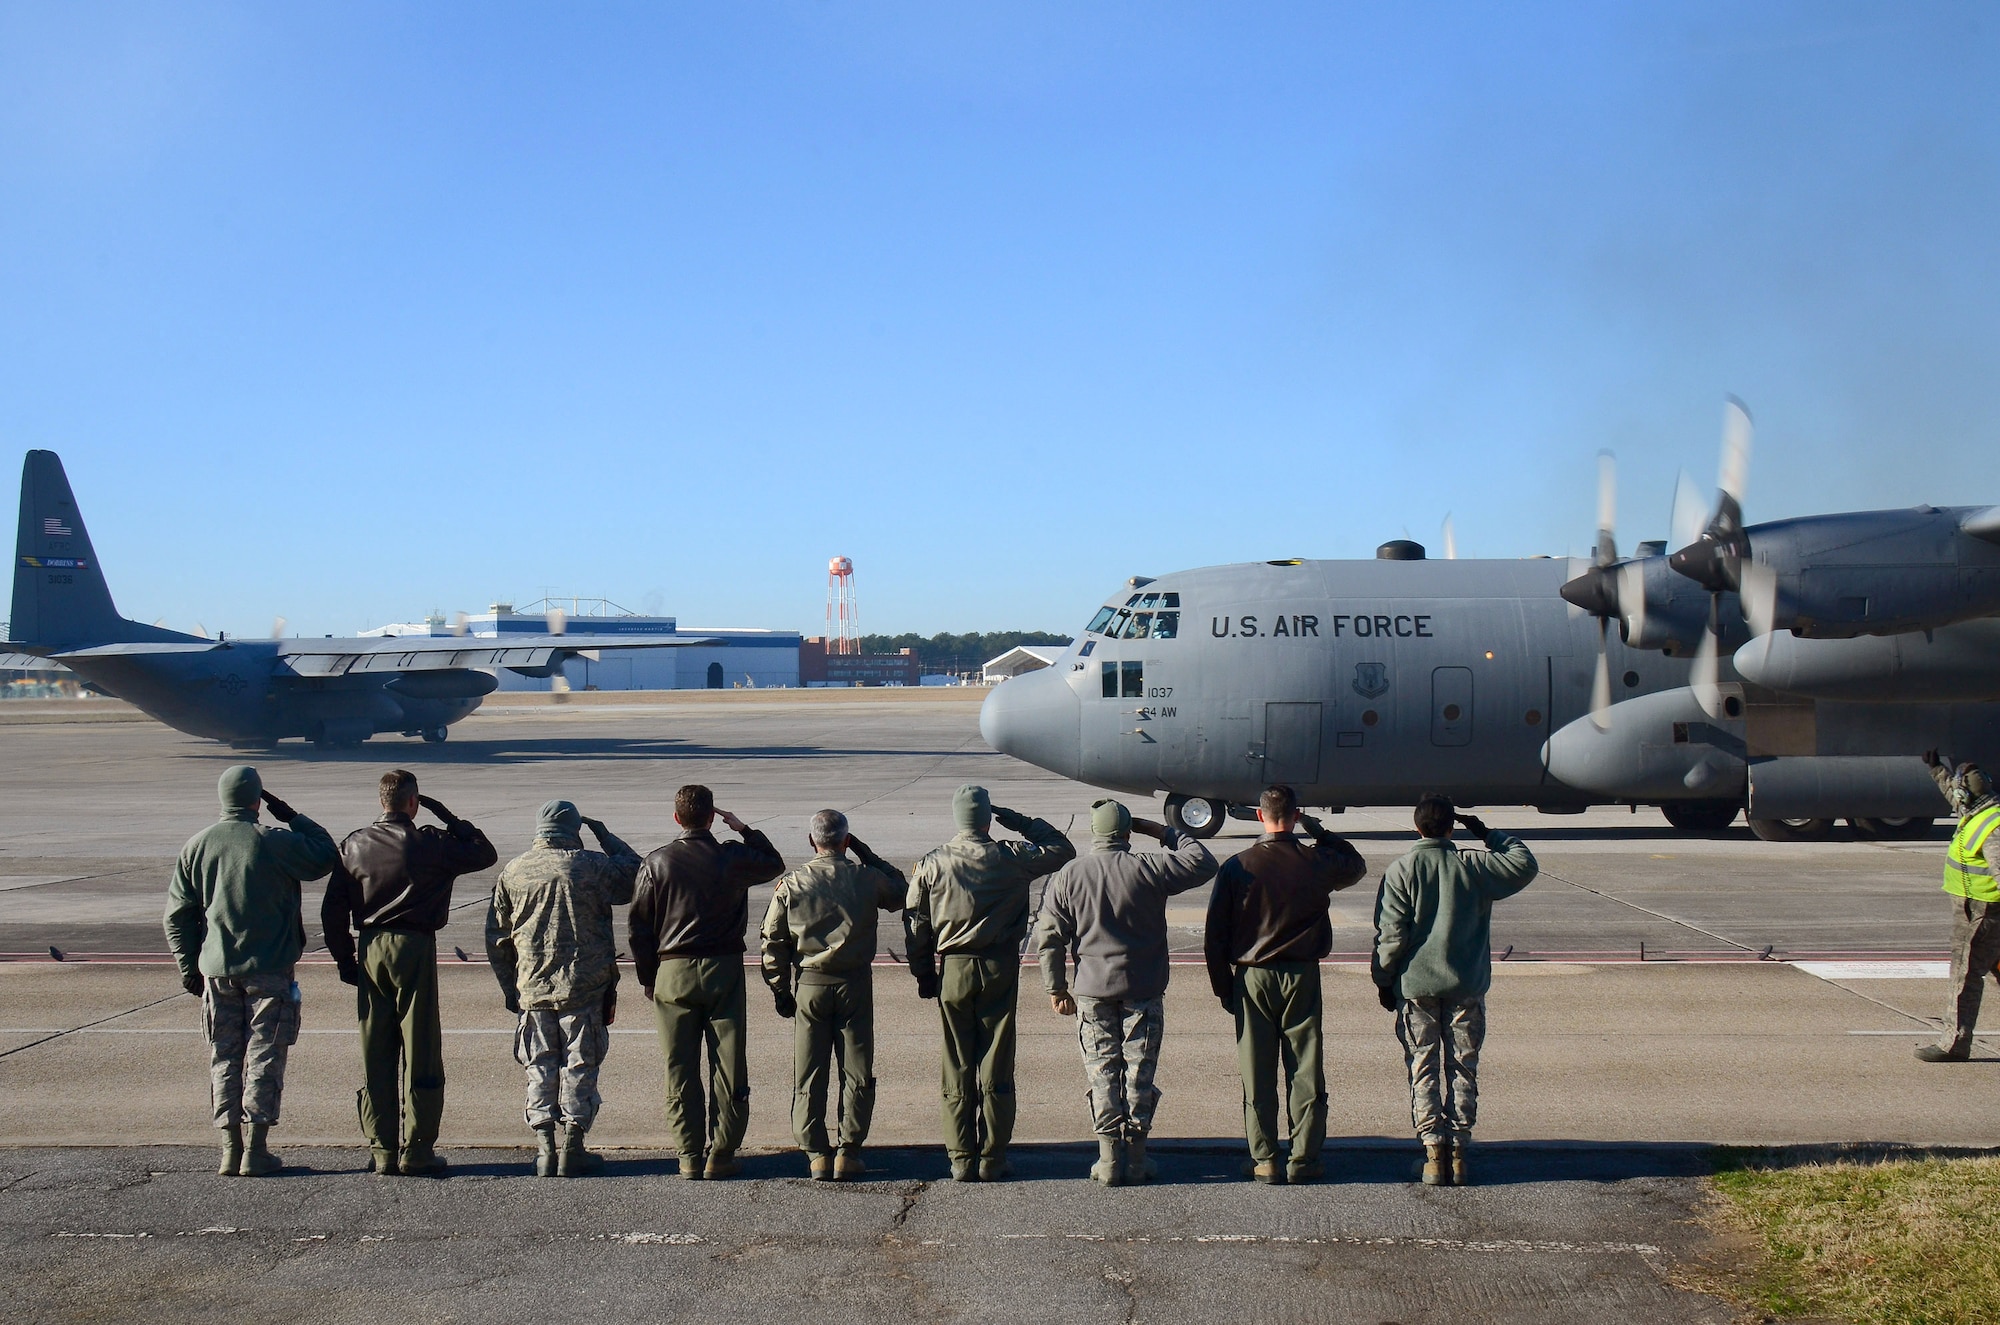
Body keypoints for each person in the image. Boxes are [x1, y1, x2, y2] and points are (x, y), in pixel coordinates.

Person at [322, 770, 497, 1177]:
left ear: (381, 802)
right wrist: (450, 817)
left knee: (375, 1049)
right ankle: (418, 1148)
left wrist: (346, 961)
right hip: (414, 946)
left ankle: (382, 1147)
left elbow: (332, 911)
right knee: (420, 1048)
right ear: (413, 803)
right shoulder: (431, 842)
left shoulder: (354, 844)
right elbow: (483, 852)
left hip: (370, 947)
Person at [164, 767, 337, 1177]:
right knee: (264, 1055)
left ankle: (229, 1147)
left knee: (223, 1057)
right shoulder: (273, 842)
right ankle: (256, 1149)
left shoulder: (197, 846)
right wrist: (291, 815)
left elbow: (177, 916)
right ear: (258, 800)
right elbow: (326, 854)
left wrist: (188, 967)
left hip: (217, 971)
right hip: (269, 968)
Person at [1035, 797, 1217, 1185]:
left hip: (1092, 992)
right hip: (1144, 989)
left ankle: (1109, 1160)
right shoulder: (1149, 867)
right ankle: (1136, 1157)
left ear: (1095, 831)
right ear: (1126, 832)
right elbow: (1202, 861)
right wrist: (1163, 831)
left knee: (1103, 1072)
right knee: (1139, 1074)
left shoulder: (1070, 874)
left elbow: (1049, 938)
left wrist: (1056, 988)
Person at [906, 784, 1076, 1182]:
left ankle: (961, 1156)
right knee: (996, 1061)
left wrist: (924, 975)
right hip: (999, 965)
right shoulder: (1011, 856)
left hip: (955, 968)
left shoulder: (933, 862)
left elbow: (916, 925)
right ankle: (993, 1156)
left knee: (957, 1062)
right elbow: (1061, 848)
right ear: (986, 818)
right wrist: (1015, 819)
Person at [1203, 784, 1367, 1184]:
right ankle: (1305, 1158)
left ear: (1260, 816)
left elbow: (1215, 936)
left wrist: (1224, 988)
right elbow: (1355, 864)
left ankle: (1265, 1158)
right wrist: (1321, 832)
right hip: (1301, 974)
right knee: (1306, 1068)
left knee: (1256, 1070)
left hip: (1252, 977)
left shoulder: (1237, 865)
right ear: (1295, 816)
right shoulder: (1316, 860)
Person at [1371, 795, 1538, 1186]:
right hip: (1466, 984)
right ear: (1452, 828)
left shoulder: (1402, 870)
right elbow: (1524, 863)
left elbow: (1391, 935)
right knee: (1464, 1065)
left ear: (1416, 828)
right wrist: (1488, 835)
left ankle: (1432, 1154)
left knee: (1422, 1066)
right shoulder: (1474, 863)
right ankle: (1459, 1152)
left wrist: (1384, 980)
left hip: (1416, 984)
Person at [628, 784, 784, 1179]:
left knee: (679, 1066)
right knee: (728, 1065)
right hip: (723, 967)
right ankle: (723, 1152)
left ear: (677, 818)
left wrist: (649, 977)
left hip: (673, 971)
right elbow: (773, 862)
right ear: (713, 817)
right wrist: (744, 828)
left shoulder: (656, 862)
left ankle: (688, 1155)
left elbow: (639, 927)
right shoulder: (730, 856)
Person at [486, 800, 642, 1177]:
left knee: (539, 1064)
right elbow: (636, 874)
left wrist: (511, 988)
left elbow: (497, 936)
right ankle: (573, 1144)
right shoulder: (590, 865)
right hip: (584, 985)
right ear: (574, 830)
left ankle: (544, 1148)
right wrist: (605, 835)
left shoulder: (514, 871)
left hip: (534, 987)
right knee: (580, 1063)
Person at [759, 809, 907, 1180]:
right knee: (857, 1070)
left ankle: (815, 1153)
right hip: (854, 982)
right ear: (845, 840)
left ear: (812, 841)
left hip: (810, 982)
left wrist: (779, 988)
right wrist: (865, 852)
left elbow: (772, 940)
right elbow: (900, 891)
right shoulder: (865, 877)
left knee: (810, 1071)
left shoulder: (792, 884)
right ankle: (849, 1148)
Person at [1916, 750, 2000, 1063]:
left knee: (1965, 978)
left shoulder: (1992, 827)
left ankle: (1954, 1044)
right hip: (1981, 911)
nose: (1956, 800)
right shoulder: (1979, 808)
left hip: (1981, 914)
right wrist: (1936, 768)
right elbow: (1953, 793)